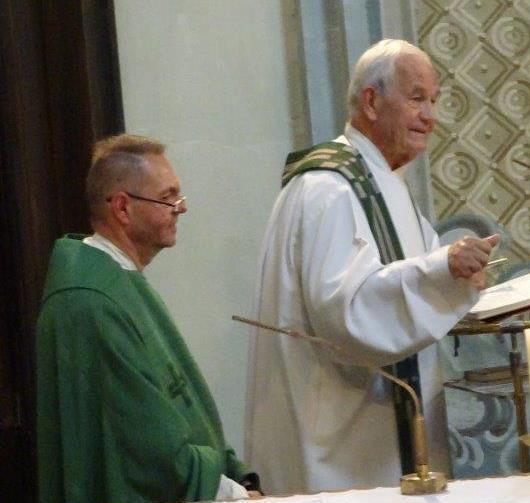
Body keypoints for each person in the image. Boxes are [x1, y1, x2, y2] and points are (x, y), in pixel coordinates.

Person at [245, 39, 499, 494]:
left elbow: (420, 282)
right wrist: (445, 269)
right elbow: (346, 312)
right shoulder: (329, 187)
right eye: (417, 98)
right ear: (371, 101)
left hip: (385, 434)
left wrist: (462, 276)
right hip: (340, 440)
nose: (430, 116)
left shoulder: (386, 184)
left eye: (434, 101)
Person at [36, 134, 260, 503]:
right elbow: (148, 450)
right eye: (168, 197)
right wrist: (233, 493)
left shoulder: (119, 281)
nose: (181, 208)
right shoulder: (91, 301)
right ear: (123, 208)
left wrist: (235, 473)